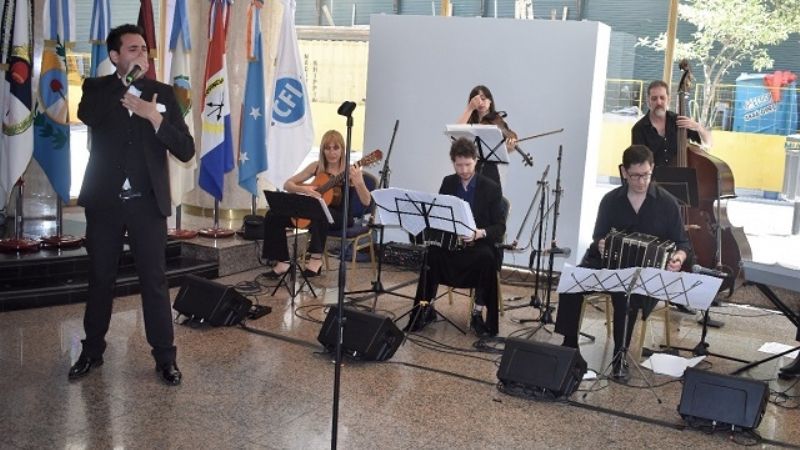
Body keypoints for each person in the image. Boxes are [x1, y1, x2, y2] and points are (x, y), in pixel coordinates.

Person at [70, 24, 195, 386]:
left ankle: (165, 358)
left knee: (154, 281)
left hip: (146, 203)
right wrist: (125, 88)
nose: (141, 55)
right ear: (115, 56)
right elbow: (88, 116)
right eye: (133, 49)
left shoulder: (164, 95)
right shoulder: (96, 89)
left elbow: (185, 150)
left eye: (144, 49)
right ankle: (92, 351)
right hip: (105, 204)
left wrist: (152, 115)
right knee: (100, 280)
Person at [554, 145, 692, 380]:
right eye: (635, 176)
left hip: (645, 273)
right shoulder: (611, 200)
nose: (641, 181)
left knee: (625, 295)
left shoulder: (667, 203)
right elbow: (599, 235)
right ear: (624, 172)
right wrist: (601, 244)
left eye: (646, 175)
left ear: (652, 170)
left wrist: (678, 258)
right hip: (608, 263)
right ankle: (569, 346)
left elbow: (682, 243)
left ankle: (620, 356)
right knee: (571, 282)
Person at [406, 137, 506, 337]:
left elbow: (499, 227)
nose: (463, 170)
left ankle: (478, 314)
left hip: (478, 243)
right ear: (453, 163)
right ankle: (425, 309)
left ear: (475, 161)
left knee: (486, 258)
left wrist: (479, 233)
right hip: (452, 243)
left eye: (467, 164)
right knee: (431, 255)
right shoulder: (448, 182)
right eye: (458, 165)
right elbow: (438, 215)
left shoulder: (491, 187)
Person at [262, 130, 372, 278]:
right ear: (322, 150)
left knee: (320, 210)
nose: (332, 152)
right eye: (327, 148)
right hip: (314, 215)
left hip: (340, 217)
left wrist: (359, 182)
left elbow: (367, 201)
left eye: (336, 148)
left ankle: (315, 259)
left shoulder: (350, 172)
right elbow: (288, 184)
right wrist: (305, 189)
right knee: (273, 215)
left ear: (342, 150)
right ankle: (282, 261)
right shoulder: (316, 167)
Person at [631, 80, 713, 167]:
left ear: (668, 100)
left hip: (681, 178)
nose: (659, 102)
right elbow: (638, 163)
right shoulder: (639, 129)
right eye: (654, 98)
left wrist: (698, 127)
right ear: (648, 101)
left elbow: (708, 143)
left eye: (662, 98)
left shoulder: (679, 121)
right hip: (653, 179)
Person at [456, 85, 519, 187]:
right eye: (477, 100)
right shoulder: (469, 121)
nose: (481, 102)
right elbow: (457, 133)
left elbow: (509, 144)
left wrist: (510, 145)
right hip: (469, 170)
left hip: (490, 171)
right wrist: (470, 108)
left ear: (490, 101)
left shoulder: (496, 120)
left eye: (484, 99)